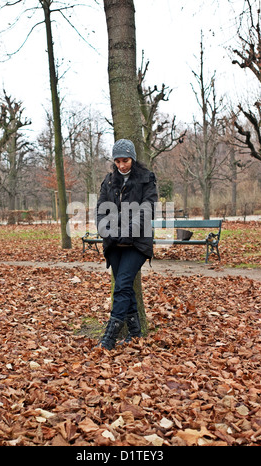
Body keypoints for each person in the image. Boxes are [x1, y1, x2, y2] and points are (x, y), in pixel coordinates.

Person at [96, 139, 158, 350]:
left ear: (132, 158)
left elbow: (147, 209)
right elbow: (101, 211)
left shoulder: (146, 179)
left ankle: (109, 338)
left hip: (137, 243)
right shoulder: (109, 180)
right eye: (118, 161)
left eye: (126, 160)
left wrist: (127, 231)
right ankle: (135, 333)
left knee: (121, 286)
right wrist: (109, 231)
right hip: (114, 243)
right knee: (126, 288)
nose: (122, 165)